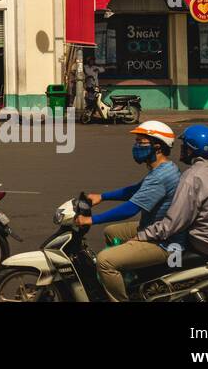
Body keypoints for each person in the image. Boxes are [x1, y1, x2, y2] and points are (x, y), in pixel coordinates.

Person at [77, 121, 182, 302]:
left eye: (141, 142)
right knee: (112, 232)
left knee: (105, 261)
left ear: (157, 146)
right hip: (157, 228)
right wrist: (102, 196)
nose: (136, 146)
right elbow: (135, 190)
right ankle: (133, 279)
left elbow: (131, 209)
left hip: (164, 242)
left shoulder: (161, 176)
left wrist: (92, 220)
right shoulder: (163, 169)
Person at [133, 124, 208, 281]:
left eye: (183, 146)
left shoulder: (193, 176)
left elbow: (174, 223)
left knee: (170, 245)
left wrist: (142, 236)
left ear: (190, 149)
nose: (181, 149)